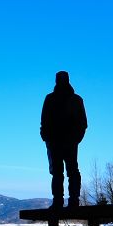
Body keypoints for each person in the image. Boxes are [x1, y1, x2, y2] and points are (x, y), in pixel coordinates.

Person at [40, 70, 87, 208]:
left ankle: (73, 200)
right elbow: (44, 121)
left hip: (70, 142)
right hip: (54, 142)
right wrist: (46, 137)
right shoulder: (50, 99)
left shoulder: (77, 100)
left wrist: (76, 139)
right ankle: (58, 201)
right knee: (57, 172)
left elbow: (83, 123)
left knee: (71, 170)